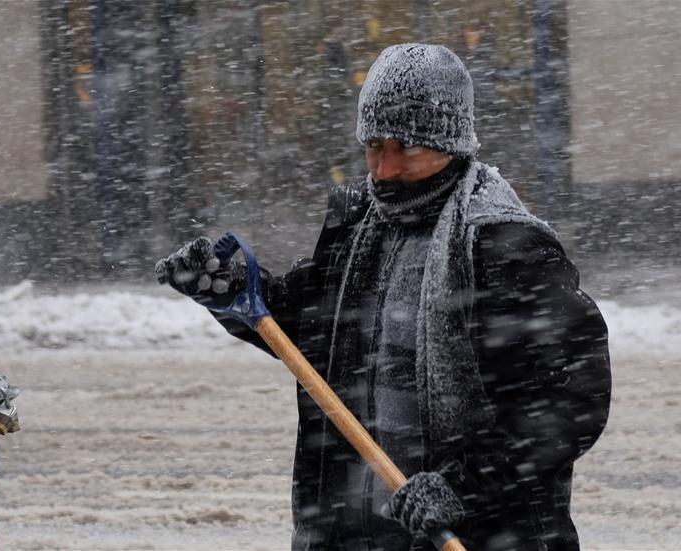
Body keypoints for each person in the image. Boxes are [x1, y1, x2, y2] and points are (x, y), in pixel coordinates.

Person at [157, 43, 611, 551]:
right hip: (352, 529)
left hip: (475, 533)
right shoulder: (356, 225)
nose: (384, 169)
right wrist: (234, 291)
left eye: (405, 148)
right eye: (373, 146)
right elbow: (314, 335)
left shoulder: (505, 245)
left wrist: (462, 487)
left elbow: (569, 400)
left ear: (452, 142)